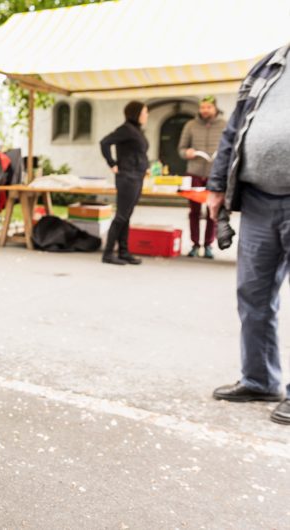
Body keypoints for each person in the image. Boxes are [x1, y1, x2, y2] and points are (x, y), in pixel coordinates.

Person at [208, 43, 290, 424]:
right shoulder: (269, 65)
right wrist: (216, 185)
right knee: (253, 294)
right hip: (258, 197)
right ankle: (259, 379)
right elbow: (235, 128)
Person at [99, 101, 149, 266]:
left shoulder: (136, 130)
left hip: (136, 175)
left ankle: (123, 252)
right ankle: (108, 253)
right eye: (144, 112)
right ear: (136, 114)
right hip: (128, 177)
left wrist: (144, 167)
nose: (146, 115)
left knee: (126, 216)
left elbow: (136, 153)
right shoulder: (126, 129)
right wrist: (112, 163)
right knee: (121, 216)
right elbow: (104, 142)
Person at [178, 96, 226, 259]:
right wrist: (187, 153)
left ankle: (208, 245)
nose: (205, 110)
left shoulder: (224, 125)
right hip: (195, 172)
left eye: (208, 107)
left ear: (215, 108)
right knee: (194, 211)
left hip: (216, 173)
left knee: (213, 210)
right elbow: (181, 149)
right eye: (202, 107)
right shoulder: (190, 125)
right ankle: (194, 244)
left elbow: (231, 147)